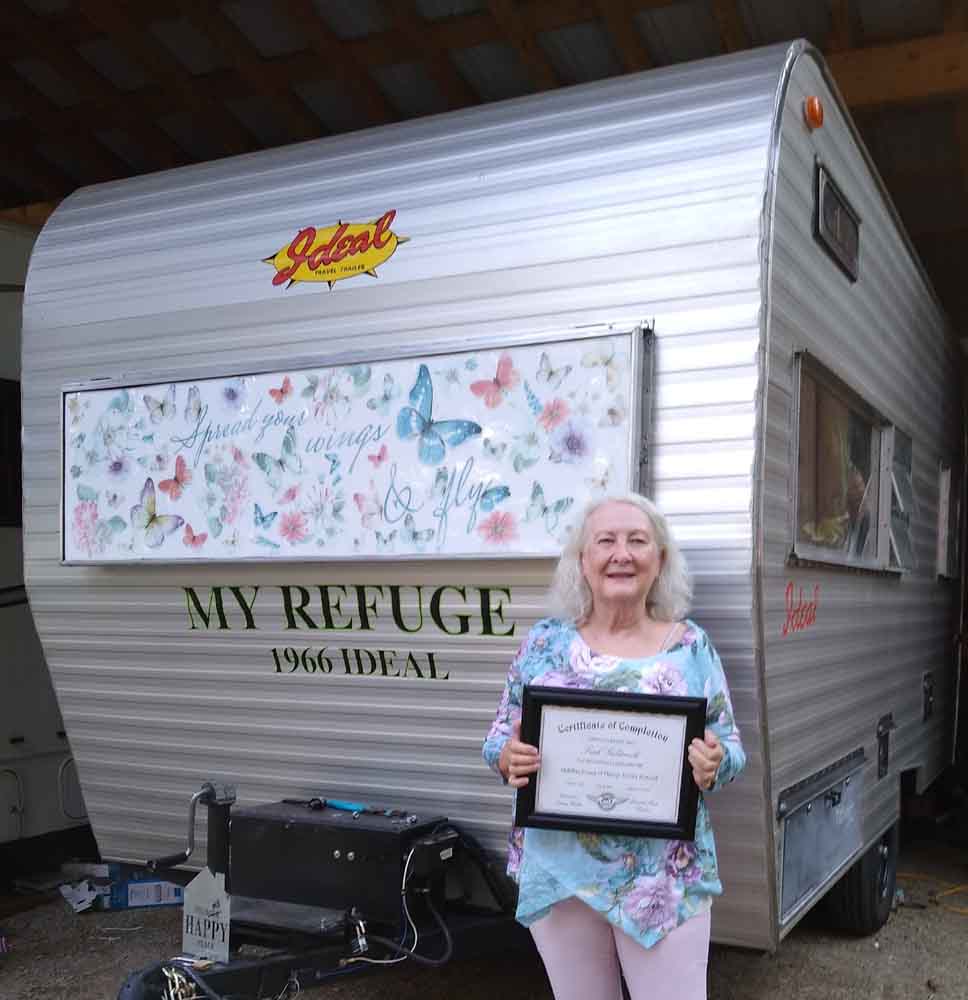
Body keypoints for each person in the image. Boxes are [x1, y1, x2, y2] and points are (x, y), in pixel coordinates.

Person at [482, 493, 745, 1000]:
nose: (620, 553)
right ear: (582, 560)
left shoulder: (690, 647)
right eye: (605, 540)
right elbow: (498, 737)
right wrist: (506, 757)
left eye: (637, 540)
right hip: (562, 869)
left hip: (662, 877)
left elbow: (731, 747)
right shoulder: (544, 643)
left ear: (659, 559)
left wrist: (715, 762)